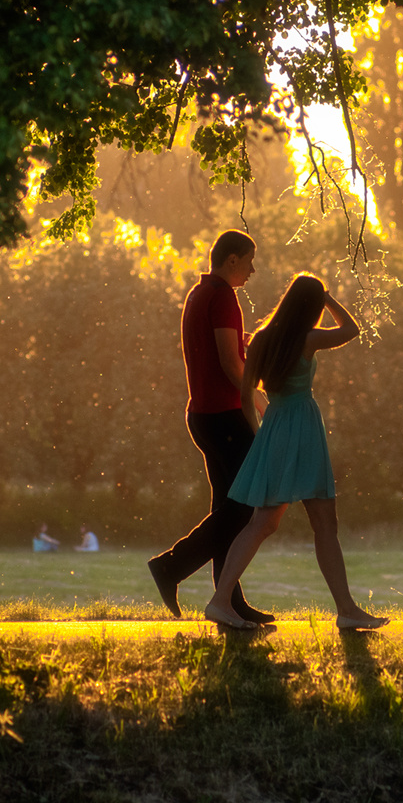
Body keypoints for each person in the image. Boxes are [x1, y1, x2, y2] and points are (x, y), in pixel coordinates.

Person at [204, 274, 389, 631]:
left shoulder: (261, 339)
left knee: (262, 523)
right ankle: (346, 610)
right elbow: (351, 329)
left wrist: (260, 436)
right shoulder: (307, 338)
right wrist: (329, 298)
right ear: (312, 306)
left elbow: (246, 396)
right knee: (324, 523)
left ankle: (221, 600)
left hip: (274, 427)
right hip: (303, 428)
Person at [146, 230, 274, 624]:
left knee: (228, 507)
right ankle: (171, 566)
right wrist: (261, 402)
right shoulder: (222, 296)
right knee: (244, 507)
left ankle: (228, 600)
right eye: (249, 261)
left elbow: (219, 347)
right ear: (232, 260)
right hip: (224, 416)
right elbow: (229, 363)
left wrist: (244, 341)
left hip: (203, 416)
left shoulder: (199, 294)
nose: (252, 270)